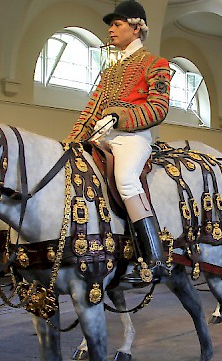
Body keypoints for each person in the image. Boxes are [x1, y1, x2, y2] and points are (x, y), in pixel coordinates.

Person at [64, 0, 171, 285]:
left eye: (117, 24)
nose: (111, 30)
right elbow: (90, 110)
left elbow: (159, 108)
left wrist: (120, 116)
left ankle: (155, 258)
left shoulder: (155, 64)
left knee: (125, 179)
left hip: (132, 138)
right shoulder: (110, 71)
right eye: (111, 25)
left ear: (136, 28)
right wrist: (72, 141)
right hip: (102, 136)